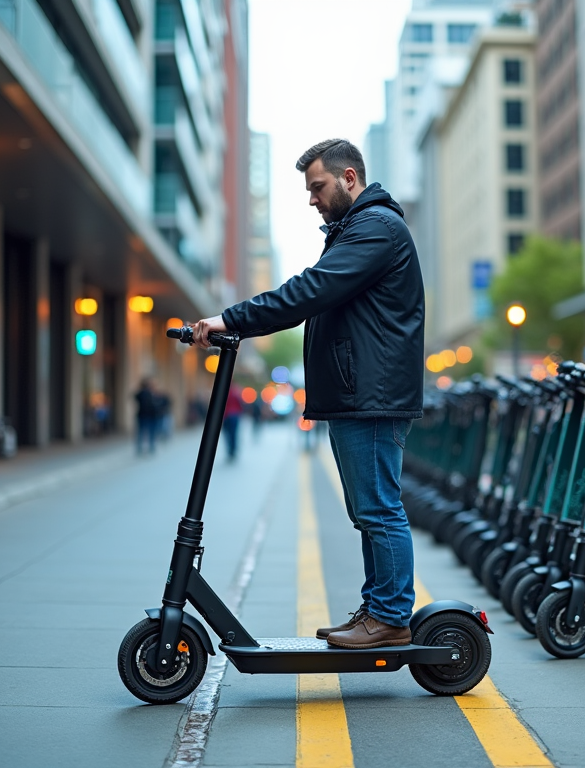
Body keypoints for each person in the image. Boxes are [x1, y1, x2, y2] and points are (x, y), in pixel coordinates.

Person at [192, 138, 424, 650]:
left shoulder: (376, 229)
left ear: (348, 178)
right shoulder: (356, 229)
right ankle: (379, 608)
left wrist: (232, 318)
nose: (311, 198)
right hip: (360, 392)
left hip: (373, 395)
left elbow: (310, 291)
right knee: (368, 509)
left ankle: (389, 616)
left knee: (379, 508)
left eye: (317, 186)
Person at [134, 378, 159, 454]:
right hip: (149, 415)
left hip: (143, 415)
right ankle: (149, 447)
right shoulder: (149, 394)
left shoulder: (142, 394)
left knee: (141, 432)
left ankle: (141, 448)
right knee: (149, 432)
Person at [222, 384, 244, 461]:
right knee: (233, 434)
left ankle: (230, 450)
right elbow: (240, 404)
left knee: (227, 435)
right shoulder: (235, 392)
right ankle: (233, 450)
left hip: (226, 415)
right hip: (234, 415)